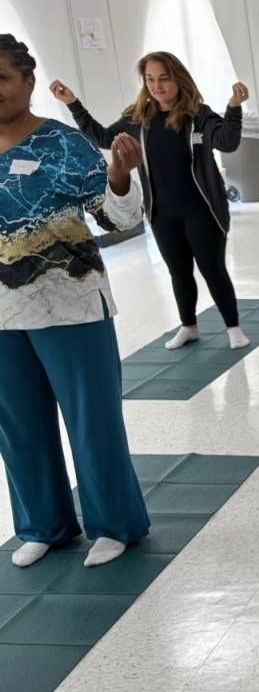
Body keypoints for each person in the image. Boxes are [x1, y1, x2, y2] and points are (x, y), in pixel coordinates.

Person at [0, 35, 151, 569]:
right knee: (17, 426)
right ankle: (44, 524)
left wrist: (118, 175)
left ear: (27, 83)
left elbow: (118, 219)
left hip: (71, 306)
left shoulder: (61, 144)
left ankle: (114, 524)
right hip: (2, 315)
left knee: (91, 421)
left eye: (1, 79)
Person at [50, 53, 251, 350]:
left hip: (202, 211)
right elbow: (103, 137)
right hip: (162, 213)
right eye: (150, 79)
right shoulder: (138, 119)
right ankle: (189, 326)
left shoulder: (199, 115)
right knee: (178, 272)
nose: (157, 86)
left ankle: (233, 327)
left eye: (164, 78)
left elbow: (227, 142)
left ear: (178, 79)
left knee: (213, 270)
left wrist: (234, 108)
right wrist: (72, 104)